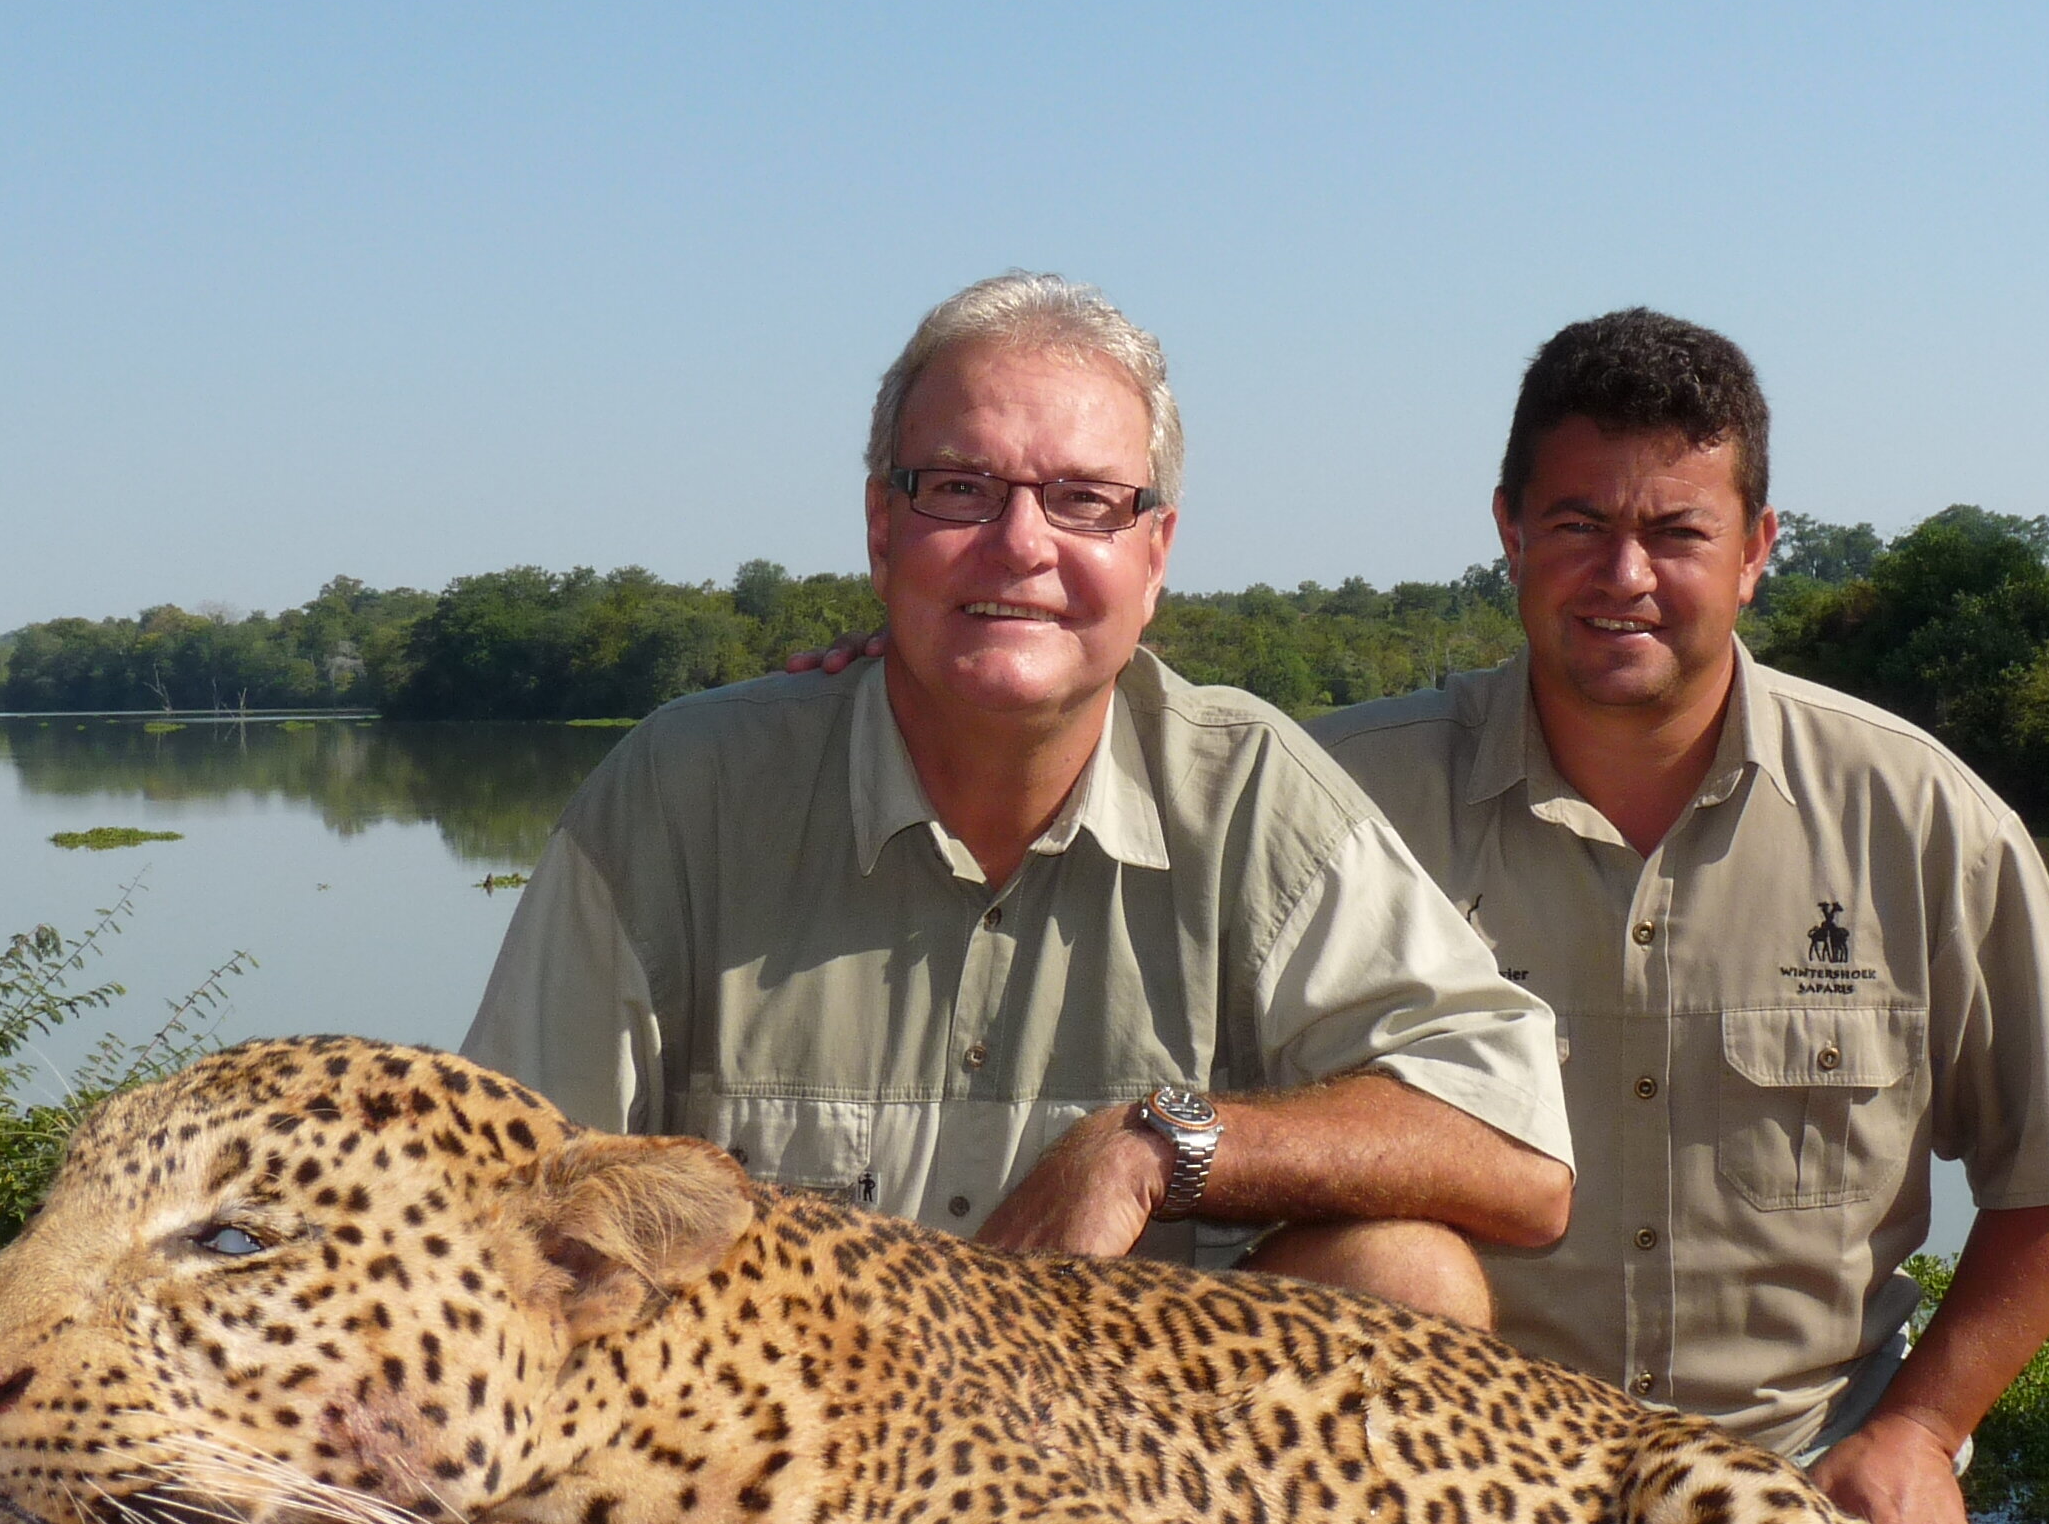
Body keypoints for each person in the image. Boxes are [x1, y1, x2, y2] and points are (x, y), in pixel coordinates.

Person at [1315, 310, 2049, 1524]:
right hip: (1457, 1523)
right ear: (1508, 530)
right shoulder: (1338, 802)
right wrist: (881, 679)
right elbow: (1089, 749)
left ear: (1760, 546)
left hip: (1810, 1499)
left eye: (1676, 531)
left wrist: (1926, 1432)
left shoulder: (1920, 817)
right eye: (1576, 521)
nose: (1623, 573)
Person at [464, 271, 1573, 1316]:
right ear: (882, 527)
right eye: (962, 489)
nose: (1020, 544)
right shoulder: (680, 794)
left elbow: (1518, 1152)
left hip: (1113, 1480)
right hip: (752, 1470)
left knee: (1407, 1276)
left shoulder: (1250, 797)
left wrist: (1154, 1147)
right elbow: (491, 1218)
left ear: (1155, 554)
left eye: (1085, 500)